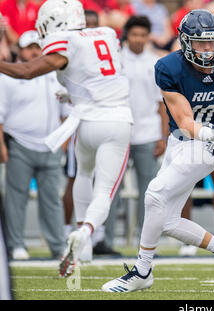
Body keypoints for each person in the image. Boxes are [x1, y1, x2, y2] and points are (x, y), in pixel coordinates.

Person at [102, 9, 214, 293]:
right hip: (183, 140)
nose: (208, 49)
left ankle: (143, 270)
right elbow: (185, 121)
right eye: (200, 43)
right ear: (185, 42)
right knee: (167, 219)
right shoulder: (168, 67)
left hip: (206, 148)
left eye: (212, 42)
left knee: (154, 195)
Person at [0, 0, 134, 276]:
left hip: (85, 124)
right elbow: (99, 77)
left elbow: (26, 71)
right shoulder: (106, 34)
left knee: (83, 174)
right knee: (104, 191)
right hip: (116, 120)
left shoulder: (65, 41)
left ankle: (81, 239)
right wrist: (72, 93)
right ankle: (85, 233)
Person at [0, 30, 69, 260]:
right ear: (20, 50)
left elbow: (65, 113)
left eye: (37, 48)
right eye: (28, 47)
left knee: (52, 200)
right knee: (16, 198)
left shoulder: (55, 76)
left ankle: (58, 246)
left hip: (50, 145)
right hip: (19, 143)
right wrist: (2, 146)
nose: (33, 52)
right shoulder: (8, 77)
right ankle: (16, 244)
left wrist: (64, 142)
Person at [104, 15, 169, 249]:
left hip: (149, 134)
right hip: (119, 133)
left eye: (143, 35)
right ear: (127, 36)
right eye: (135, 35)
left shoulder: (156, 62)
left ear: (148, 36)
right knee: (111, 190)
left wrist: (163, 137)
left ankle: (147, 245)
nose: (139, 39)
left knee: (150, 194)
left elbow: (162, 104)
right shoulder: (116, 61)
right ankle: (105, 240)